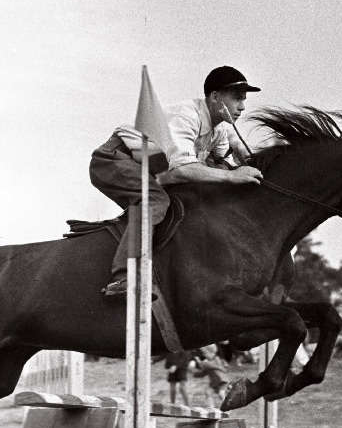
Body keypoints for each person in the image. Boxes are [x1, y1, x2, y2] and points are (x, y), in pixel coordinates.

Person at [90, 66, 263, 297]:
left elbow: (219, 164)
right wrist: (233, 176)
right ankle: (122, 277)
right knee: (156, 201)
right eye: (236, 99)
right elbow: (183, 170)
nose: (242, 106)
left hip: (145, 167)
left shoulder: (220, 129)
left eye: (243, 100)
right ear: (215, 98)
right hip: (112, 159)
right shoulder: (186, 117)